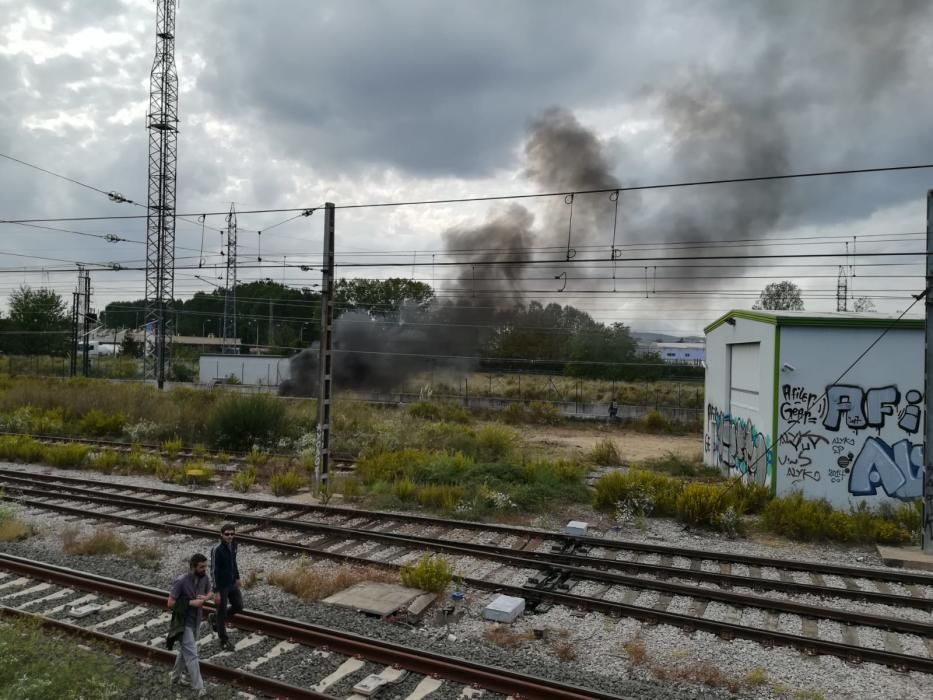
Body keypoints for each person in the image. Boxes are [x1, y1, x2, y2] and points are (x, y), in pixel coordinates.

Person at [167, 553, 212, 696]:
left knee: (185, 651)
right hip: (183, 622)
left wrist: (205, 597)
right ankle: (199, 687)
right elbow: (170, 603)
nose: (205, 569)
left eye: (206, 566)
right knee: (192, 654)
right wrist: (191, 603)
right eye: (201, 567)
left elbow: (211, 591)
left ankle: (174, 677)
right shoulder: (181, 581)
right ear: (193, 567)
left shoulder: (205, 578)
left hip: (196, 621)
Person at [209, 523, 243, 650]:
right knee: (222, 613)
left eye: (232, 534)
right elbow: (213, 571)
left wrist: (238, 577)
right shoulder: (217, 549)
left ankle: (214, 617)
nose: (230, 536)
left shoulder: (234, 545)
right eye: (227, 534)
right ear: (221, 535)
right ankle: (224, 641)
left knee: (238, 606)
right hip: (221, 586)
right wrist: (215, 591)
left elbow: (234, 562)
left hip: (232, 582)